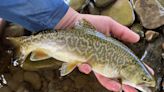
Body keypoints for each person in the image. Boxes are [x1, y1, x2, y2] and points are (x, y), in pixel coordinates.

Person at [0, 0, 151, 92]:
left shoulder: (124, 62)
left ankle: (24, 43)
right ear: (130, 68)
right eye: (144, 78)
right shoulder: (124, 63)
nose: (145, 82)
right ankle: (24, 44)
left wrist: (65, 18)